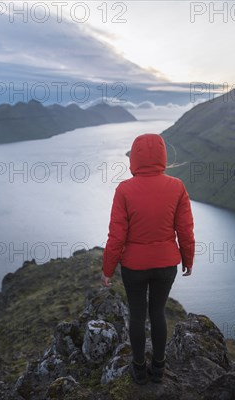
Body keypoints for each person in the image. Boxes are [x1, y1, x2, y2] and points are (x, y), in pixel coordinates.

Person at [101, 133, 195, 385]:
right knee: (158, 313)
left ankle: (139, 370)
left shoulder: (124, 190)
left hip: (134, 267)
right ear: (163, 157)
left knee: (137, 315)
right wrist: (188, 259)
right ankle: (159, 369)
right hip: (167, 265)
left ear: (135, 158)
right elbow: (185, 230)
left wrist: (107, 269)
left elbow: (116, 236)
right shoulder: (176, 187)